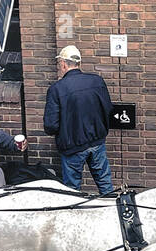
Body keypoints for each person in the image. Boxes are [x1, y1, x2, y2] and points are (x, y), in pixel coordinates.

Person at [43, 45, 115, 194]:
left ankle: (75, 215)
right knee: (106, 185)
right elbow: (108, 109)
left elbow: (51, 126)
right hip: (97, 142)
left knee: (72, 191)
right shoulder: (97, 81)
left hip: (72, 147)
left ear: (63, 64)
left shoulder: (57, 89)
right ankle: (114, 211)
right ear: (79, 63)